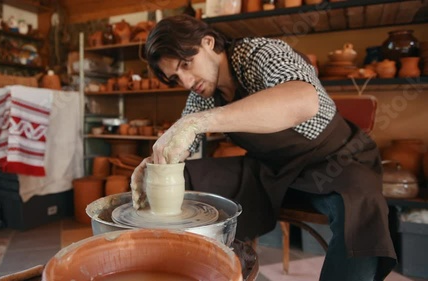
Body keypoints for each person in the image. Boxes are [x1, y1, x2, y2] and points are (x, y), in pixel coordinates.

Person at [130, 15, 396, 281]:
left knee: (362, 203)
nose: (187, 82)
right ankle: (191, 270)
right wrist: (154, 165)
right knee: (187, 179)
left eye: (186, 64)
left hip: (336, 162)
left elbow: (303, 100)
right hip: (272, 171)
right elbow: (179, 146)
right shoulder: (202, 94)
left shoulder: (260, 53)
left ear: (208, 42)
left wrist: (197, 121)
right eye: (176, 77)